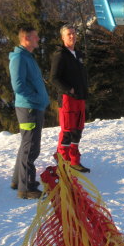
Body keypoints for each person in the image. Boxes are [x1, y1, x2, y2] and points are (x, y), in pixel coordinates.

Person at [9, 25, 50, 199]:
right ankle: (27, 188)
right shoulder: (19, 58)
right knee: (31, 147)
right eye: (35, 37)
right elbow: (18, 86)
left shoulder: (27, 57)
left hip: (32, 106)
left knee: (27, 144)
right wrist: (36, 99)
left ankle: (18, 180)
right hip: (29, 108)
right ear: (26, 39)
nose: (38, 39)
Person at [50, 24, 90, 173]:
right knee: (67, 132)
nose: (72, 36)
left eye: (73, 33)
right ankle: (63, 163)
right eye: (69, 34)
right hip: (67, 99)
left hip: (80, 98)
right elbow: (54, 78)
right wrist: (69, 89)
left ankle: (74, 161)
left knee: (78, 131)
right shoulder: (60, 54)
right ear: (63, 37)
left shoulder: (78, 54)